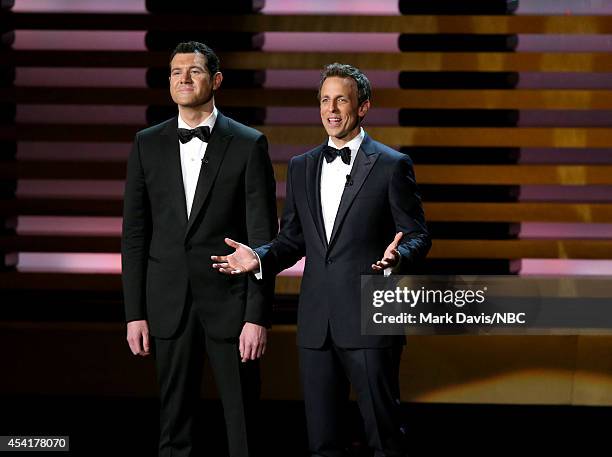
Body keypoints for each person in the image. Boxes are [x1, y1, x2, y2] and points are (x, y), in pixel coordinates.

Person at [212, 63, 431, 457]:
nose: (331, 109)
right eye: (325, 100)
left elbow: (417, 233)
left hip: (369, 317)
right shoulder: (302, 166)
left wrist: (398, 257)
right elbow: (293, 238)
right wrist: (258, 258)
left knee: (384, 437)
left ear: (363, 107)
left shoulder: (392, 164)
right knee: (322, 443)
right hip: (315, 324)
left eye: (341, 100)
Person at [122, 41, 277, 457]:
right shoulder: (146, 144)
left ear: (216, 80)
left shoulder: (248, 144)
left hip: (231, 305)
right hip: (167, 305)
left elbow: (263, 239)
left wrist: (256, 317)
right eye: (175, 72)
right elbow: (135, 234)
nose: (183, 79)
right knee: (173, 430)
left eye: (193, 71)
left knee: (244, 428)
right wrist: (135, 312)